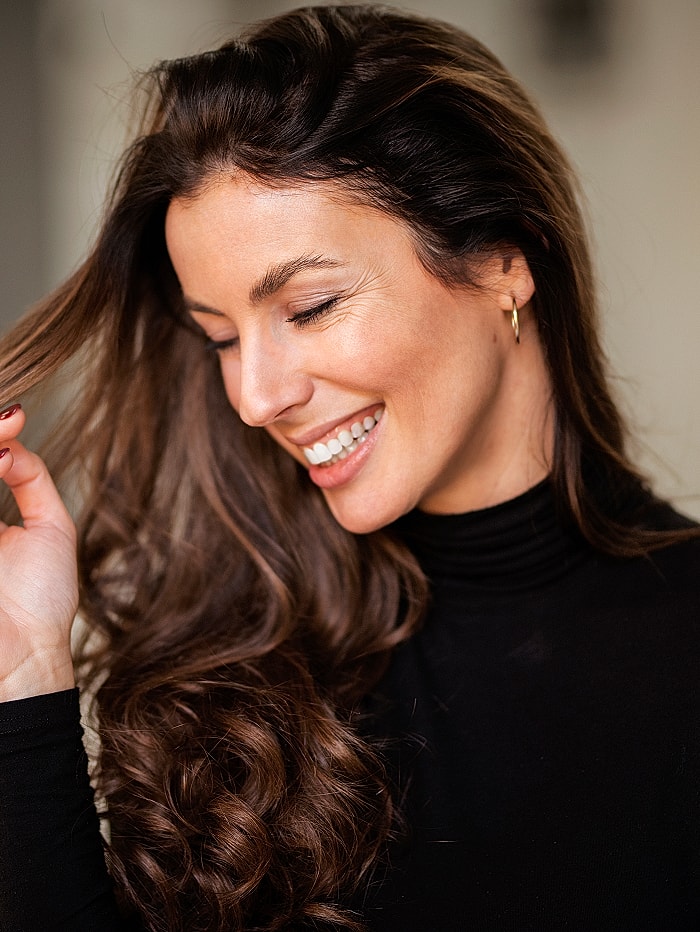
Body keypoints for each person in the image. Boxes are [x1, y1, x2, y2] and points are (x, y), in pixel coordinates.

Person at [0, 4, 698, 930]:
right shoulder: (239, 655)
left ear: (501, 259)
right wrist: (25, 679)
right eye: (219, 338)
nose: (255, 398)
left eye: (312, 305)